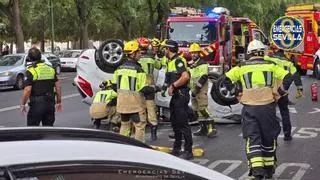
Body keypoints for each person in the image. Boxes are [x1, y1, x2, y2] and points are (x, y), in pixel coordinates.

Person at [222, 40, 291, 179]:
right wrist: (279, 93)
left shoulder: (242, 67)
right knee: (268, 137)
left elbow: (225, 80)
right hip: (268, 107)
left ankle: (257, 172)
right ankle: (269, 169)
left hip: (250, 108)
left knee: (252, 138)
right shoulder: (271, 65)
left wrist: (237, 93)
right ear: (262, 52)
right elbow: (288, 77)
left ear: (249, 53)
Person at [112, 40, 160, 143]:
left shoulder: (119, 68)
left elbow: (114, 85)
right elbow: (143, 89)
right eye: (138, 52)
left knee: (124, 125)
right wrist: (155, 89)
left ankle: (123, 146)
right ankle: (138, 149)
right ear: (132, 54)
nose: (139, 54)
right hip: (135, 105)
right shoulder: (138, 69)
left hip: (122, 104)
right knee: (139, 126)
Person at [162, 39, 193, 160]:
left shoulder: (178, 61)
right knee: (175, 122)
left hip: (181, 95)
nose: (164, 50)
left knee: (183, 123)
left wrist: (173, 86)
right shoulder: (170, 61)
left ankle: (188, 151)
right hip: (175, 96)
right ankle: (177, 148)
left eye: (165, 48)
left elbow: (185, 77)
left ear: (168, 49)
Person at [264, 46, 303, 141]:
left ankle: (270, 135)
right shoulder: (289, 63)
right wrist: (299, 89)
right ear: (285, 53)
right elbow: (296, 76)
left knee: (269, 113)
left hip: (271, 91)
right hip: (282, 91)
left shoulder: (269, 59)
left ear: (275, 51)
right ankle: (287, 135)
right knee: (284, 112)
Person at [20, 47, 62, 126]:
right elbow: (58, 86)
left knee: (32, 132)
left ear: (29, 58)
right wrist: (59, 102)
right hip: (50, 103)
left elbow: (28, 90)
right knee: (48, 130)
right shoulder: (51, 68)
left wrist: (23, 104)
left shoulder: (31, 70)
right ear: (40, 56)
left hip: (37, 104)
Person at [188, 43, 217, 138]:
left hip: (200, 90)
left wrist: (196, 89)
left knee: (203, 109)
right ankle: (203, 128)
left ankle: (212, 127)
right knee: (196, 110)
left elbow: (204, 77)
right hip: (193, 91)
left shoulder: (202, 64)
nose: (193, 55)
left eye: (195, 53)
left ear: (199, 53)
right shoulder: (191, 64)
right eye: (192, 53)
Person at [137, 37, 162, 141]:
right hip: (150, 87)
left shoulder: (136, 58)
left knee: (139, 108)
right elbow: (160, 66)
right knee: (151, 109)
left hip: (139, 87)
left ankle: (139, 131)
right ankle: (153, 133)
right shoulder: (152, 57)